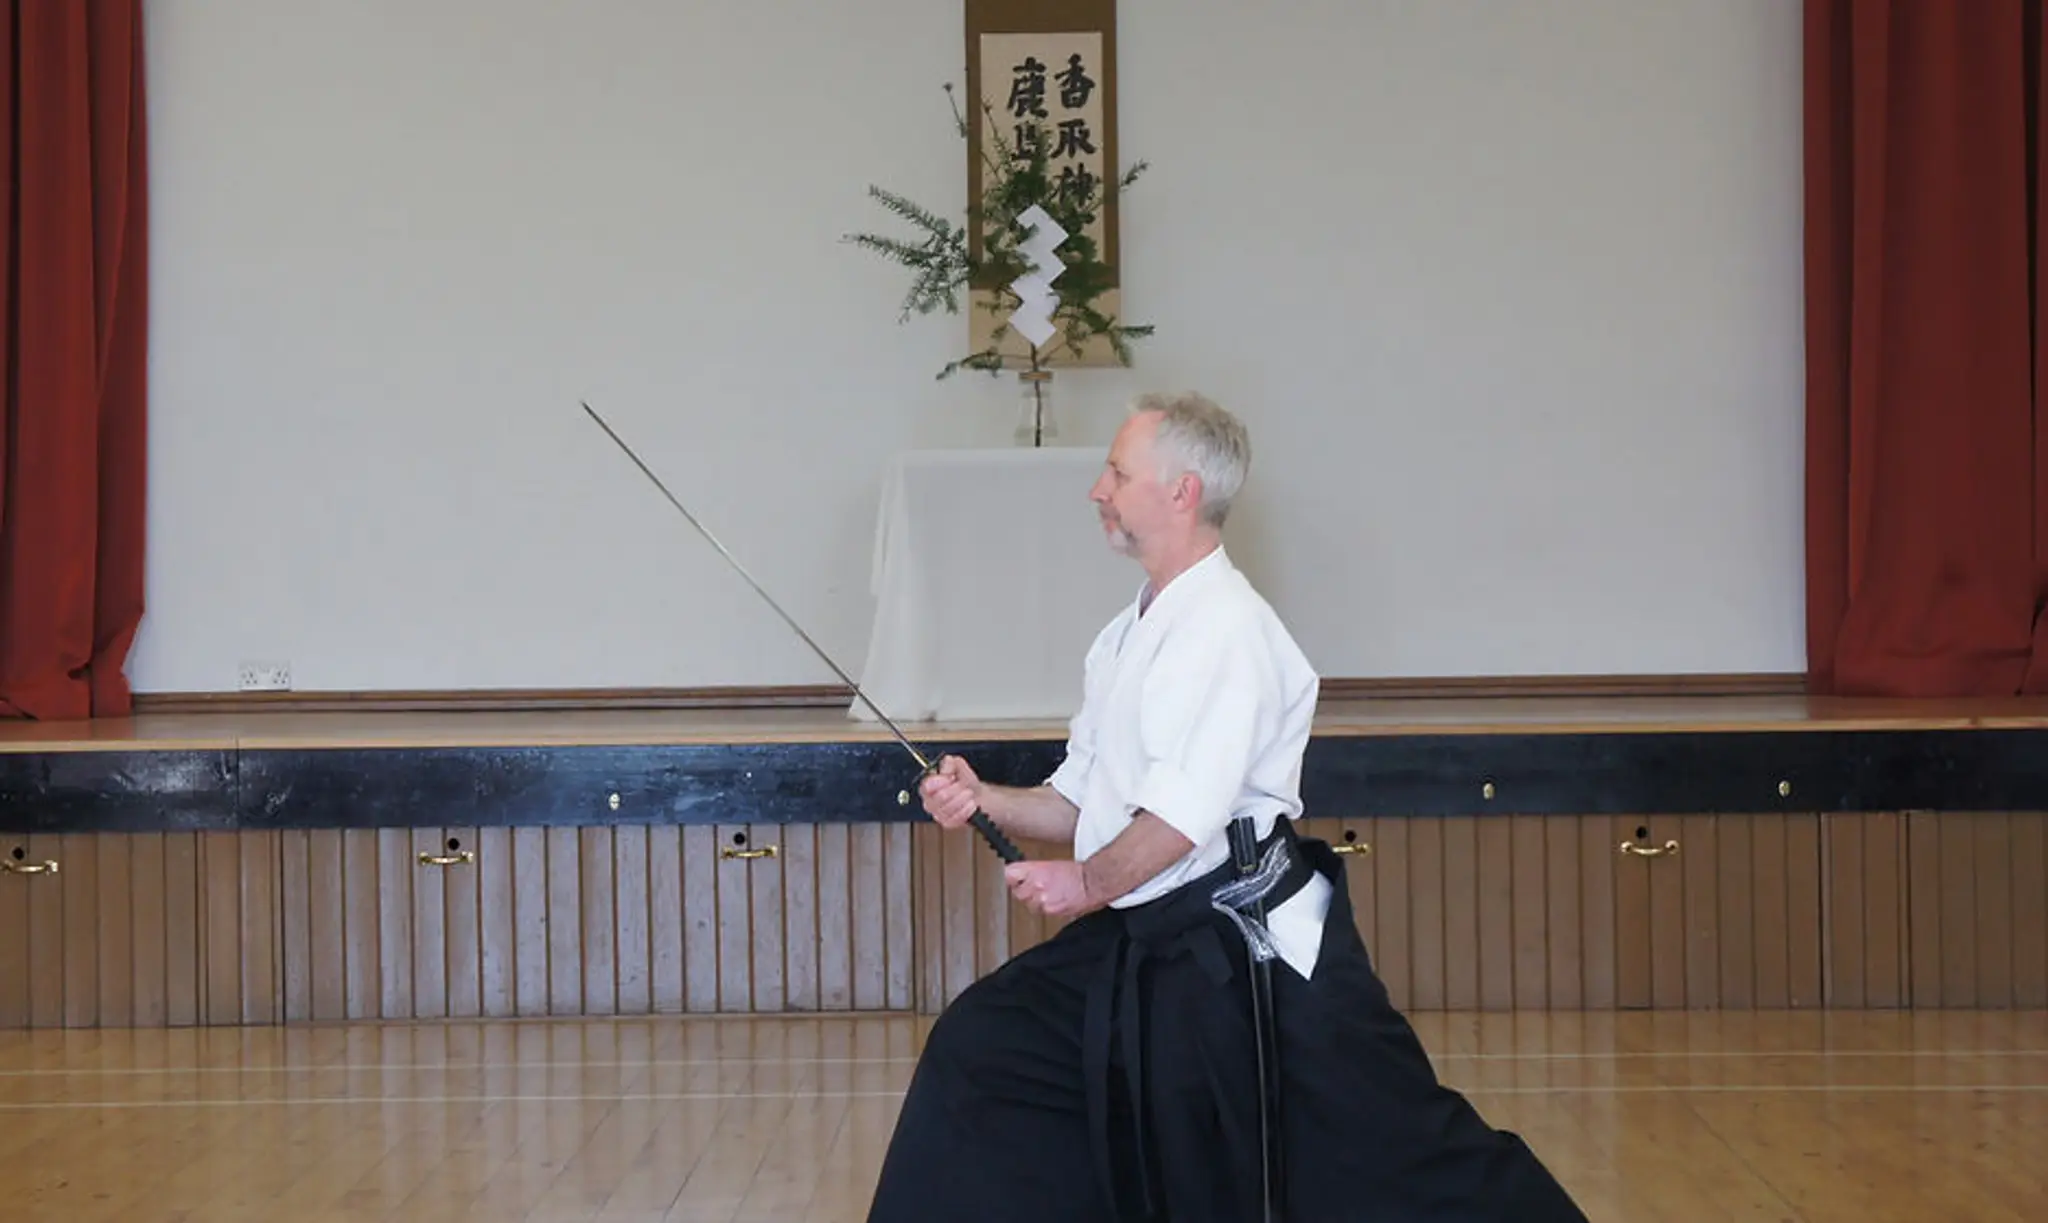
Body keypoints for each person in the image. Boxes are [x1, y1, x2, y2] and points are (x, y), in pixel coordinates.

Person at [865, 392, 1586, 1222]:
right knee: (988, 1049)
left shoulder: (1230, 629)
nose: (1097, 489)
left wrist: (1085, 886)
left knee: (1389, 1147)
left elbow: (1179, 819)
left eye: (1117, 472)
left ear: (1182, 492)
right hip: (1149, 936)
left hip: (1242, 946)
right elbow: (1081, 796)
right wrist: (983, 796)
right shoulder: (1127, 632)